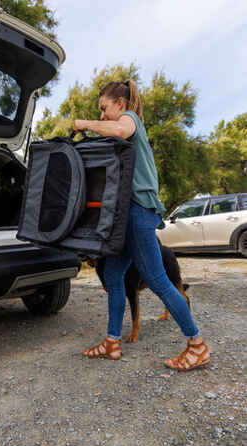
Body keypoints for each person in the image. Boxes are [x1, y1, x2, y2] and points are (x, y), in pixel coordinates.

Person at [73, 79, 210, 371]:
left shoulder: (129, 119)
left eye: (103, 109)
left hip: (138, 211)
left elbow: (120, 128)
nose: (101, 115)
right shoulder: (125, 128)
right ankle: (112, 342)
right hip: (129, 213)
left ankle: (197, 345)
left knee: (157, 279)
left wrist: (82, 123)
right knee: (112, 275)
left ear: (119, 104)